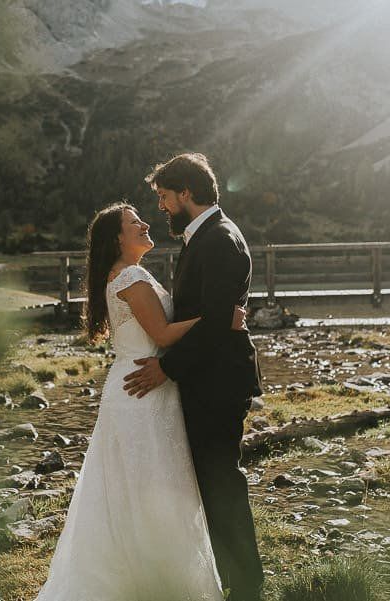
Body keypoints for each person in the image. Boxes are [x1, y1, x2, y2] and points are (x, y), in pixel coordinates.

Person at [35, 201, 246, 601]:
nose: (146, 223)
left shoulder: (128, 274)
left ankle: (145, 573)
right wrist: (221, 318)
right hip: (142, 390)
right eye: (135, 222)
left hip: (141, 385)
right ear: (117, 238)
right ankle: (151, 579)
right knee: (149, 483)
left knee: (138, 483)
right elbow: (164, 335)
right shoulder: (129, 276)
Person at [124, 153, 265, 601]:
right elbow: (213, 316)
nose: (161, 206)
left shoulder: (220, 239)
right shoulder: (204, 237)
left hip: (218, 382)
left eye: (165, 197)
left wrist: (166, 368)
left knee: (222, 482)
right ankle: (234, 579)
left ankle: (246, 586)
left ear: (186, 192)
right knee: (212, 481)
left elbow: (216, 320)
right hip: (207, 379)